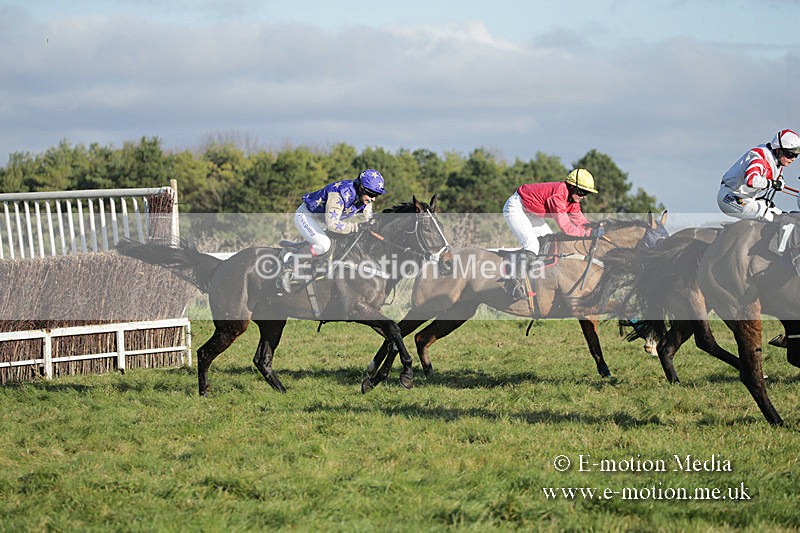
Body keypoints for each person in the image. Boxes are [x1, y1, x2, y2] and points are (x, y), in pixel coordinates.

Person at [278, 168, 386, 293]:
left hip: (321, 220)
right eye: (372, 194)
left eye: (376, 195)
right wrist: (355, 227)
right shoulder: (339, 194)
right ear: (361, 188)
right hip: (306, 216)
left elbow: (368, 219)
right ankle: (287, 269)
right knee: (323, 245)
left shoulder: (365, 199)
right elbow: (333, 225)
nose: (373, 199)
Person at [503, 168, 600, 256]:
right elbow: (567, 228)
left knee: (549, 244)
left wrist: (596, 228)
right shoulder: (558, 196)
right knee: (532, 246)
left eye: (587, 193)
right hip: (516, 207)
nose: (583, 196)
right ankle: (518, 275)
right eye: (582, 192)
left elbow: (582, 223)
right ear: (572, 187)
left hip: (530, 212)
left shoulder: (573, 201)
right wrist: (589, 234)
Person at [717, 129, 800, 222]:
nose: (793, 158)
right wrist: (773, 183)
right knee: (770, 217)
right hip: (730, 197)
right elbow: (751, 180)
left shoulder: (778, 160)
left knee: (781, 215)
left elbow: (776, 176)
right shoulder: (760, 158)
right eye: (790, 154)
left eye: (796, 155)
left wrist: (779, 180)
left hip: (748, 198)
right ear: (778, 150)